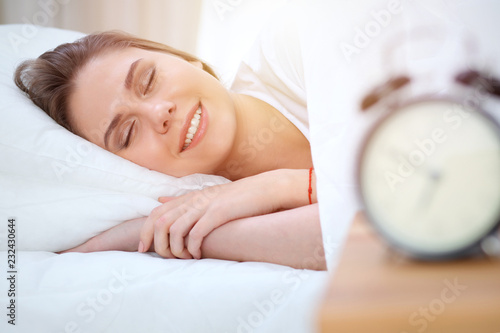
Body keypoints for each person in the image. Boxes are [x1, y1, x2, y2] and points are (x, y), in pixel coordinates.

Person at [14, 28, 326, 270]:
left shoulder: (298, 43)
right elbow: (347, 240)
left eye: (148, 80)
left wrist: (278, 186)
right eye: (128, 133)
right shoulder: (219, 203)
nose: (159, 113)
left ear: (188, 59)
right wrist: (145, 233)